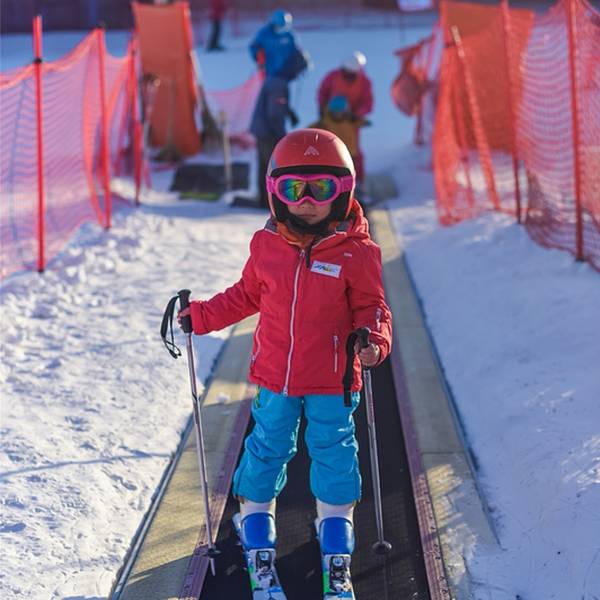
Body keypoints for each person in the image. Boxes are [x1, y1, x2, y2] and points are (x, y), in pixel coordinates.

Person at [178, 128, 392, 593]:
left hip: (334, 379)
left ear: (343, 190)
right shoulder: (267, 246)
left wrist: (374, 339)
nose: (307, 201)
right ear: (276, 192)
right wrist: (202, 316)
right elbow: (245, 295)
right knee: (267, 447)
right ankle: (255, 523)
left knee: (335, 453)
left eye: (322, 188)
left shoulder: (357, 252)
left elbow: (372, 307)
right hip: (276, 375)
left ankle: (335, 534)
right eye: (295, 189)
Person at [247, 9, 309, 208]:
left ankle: (263, 199)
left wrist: (288, 112)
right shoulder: (278, 83)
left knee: (264, 165)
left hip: (262, 129)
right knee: (273, 167)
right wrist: (283, 137)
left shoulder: (277, 80)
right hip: (267, 131)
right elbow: (274, 114)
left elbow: (277, 106)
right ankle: (271, 202)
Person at [317, 52, 373, 185]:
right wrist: (323, 109)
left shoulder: (364, 82)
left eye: (351, 74)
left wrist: (356, 115)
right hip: (331, 120)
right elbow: (322, 93)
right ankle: (329, 179)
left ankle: (357, 182)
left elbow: (368, 103)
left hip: (350, 123)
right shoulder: (333, 77)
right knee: (329, 151)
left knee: (354, 154)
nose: (347, 76)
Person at [309, 95, 370, 191]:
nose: (338, 114)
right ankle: (334, 189)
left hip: (351, 154)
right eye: (336, 112)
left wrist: (364, 121)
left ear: (345, 111)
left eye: (340, 111)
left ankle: (357, 189)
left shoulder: (350, 120)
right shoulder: (326, 122)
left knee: (354, 171)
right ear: (331, 111)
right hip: (333, 155)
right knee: (337, 173)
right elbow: (313, 128)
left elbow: (361, 121)